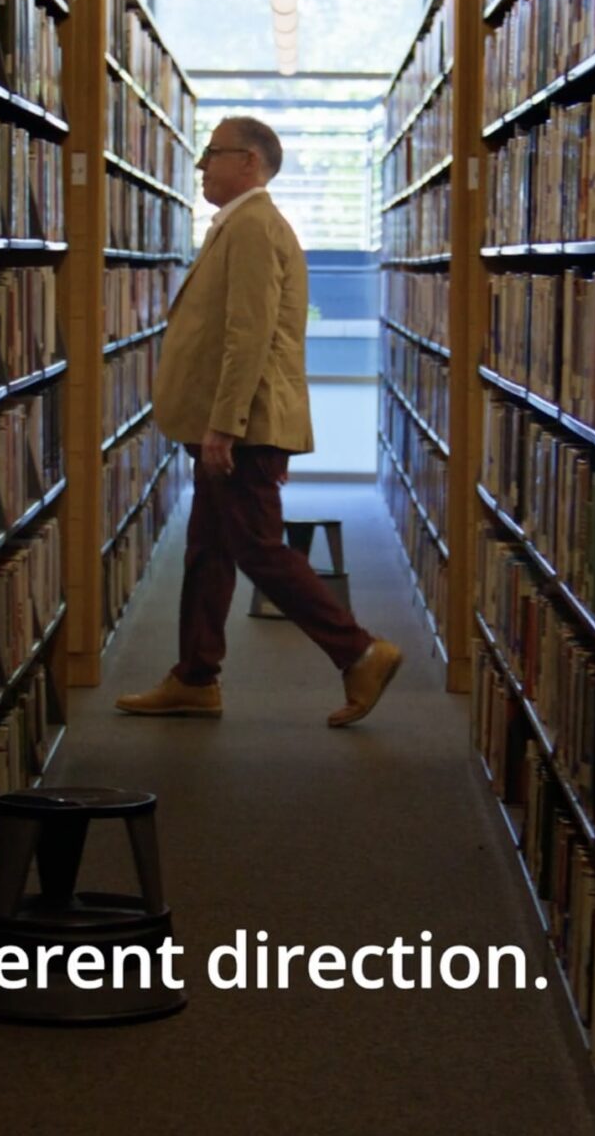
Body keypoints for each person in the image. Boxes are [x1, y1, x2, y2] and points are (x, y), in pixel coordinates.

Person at [113, 115, 403, 728]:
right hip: (236, 422)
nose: (201, 166)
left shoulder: (251, 226)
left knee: (258, 549)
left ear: (248, 161)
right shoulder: (239, 224)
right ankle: (195, 677)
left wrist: (224, 425)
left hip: (246, 426)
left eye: (212, 154)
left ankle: (359, 652)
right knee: (209, 551)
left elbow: (248, 333)